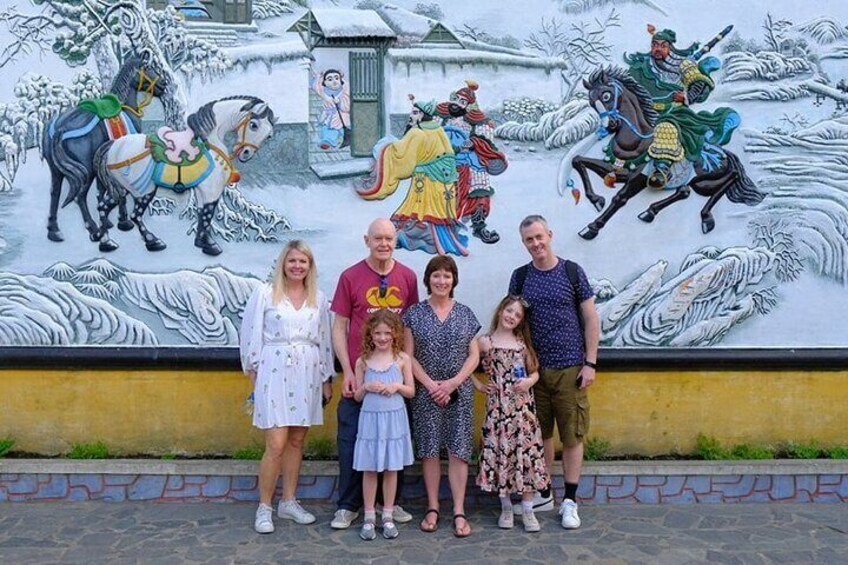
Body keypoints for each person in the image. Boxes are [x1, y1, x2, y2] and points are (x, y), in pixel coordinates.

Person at [509, 214, 599, 530]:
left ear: (550, 234)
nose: (535, 244)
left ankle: (570, 501)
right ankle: (543, 491)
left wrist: (590, 362)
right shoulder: (520, 278)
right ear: (524, 244)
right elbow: (513, 323)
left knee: (572, 433)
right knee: (540, 434)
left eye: (539, 237)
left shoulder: (572, 272)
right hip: (534, 371)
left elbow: (590, 319)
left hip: (571, 368)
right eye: (528, 240)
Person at [239, 240, 335, 534]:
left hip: (306, 372)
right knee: (276, 443)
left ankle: (289, 501)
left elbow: (325, 339)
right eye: (292, 261)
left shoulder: (318, 298)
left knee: (296, 441)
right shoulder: (266, 294)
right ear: (284, 263)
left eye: (303, 262)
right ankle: (264, 506)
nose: (297, 266)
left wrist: (326, 377)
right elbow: (251, 335)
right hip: (274, 370)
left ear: (310, 266)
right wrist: (255, 373)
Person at [330, 218, 419, 529]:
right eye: (378, 238)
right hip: (361, 376)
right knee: (353, 440)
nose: (384, 244)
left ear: (396, 241)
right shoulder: (350, 276)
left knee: (393, 439)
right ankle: (349, 505)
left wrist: (405, 366)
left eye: (389, 238)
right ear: (366, 240)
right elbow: (339, 326)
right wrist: (346, 371)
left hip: (393, 379)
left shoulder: (407, 277)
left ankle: (389, 505)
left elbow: (408, 327)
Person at [403, 255, 480, 537]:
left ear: (454, 280)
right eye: (436, 275)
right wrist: (432, 385)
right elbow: (407, 355)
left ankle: (459, 510)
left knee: (458, 451)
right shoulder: (413, 314)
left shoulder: (466, 314)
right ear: (428, 279)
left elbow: (474, 355)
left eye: (447, 276)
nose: (441, 280)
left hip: (459, 392)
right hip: (425, 393)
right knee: (430, 450)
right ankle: (433, 507)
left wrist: (453, 384)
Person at [625, 25, 738, 188]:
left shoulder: (683, 64)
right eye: (654, 45)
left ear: (670, 47)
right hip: (644, 110)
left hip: (673, 111)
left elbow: (699, 83)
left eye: (662, 46)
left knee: (665, 128)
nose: (657, 49)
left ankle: (662, 169)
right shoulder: (643, 66)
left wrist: (686, 97)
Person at [473, 295, 549, 533]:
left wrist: (528, 382)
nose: (511, 317)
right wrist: (478, 384)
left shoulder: (521, 343)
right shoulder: (485, 342)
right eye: (509, 311)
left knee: (526, 455)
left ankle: (527, 508)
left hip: (522, 411)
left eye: (517, 315)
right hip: (498, 410)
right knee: (500, 455)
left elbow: (535, 372)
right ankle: (505, 506)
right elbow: (465, 365)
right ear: (500, 310)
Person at [357, 96, 468, 256]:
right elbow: (449, 152)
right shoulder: (438, 129)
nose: (412, 115)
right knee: (434, 211)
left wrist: (388, 146)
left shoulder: (416, 133)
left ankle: (420, 237)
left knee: (419, 208)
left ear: (423, 115)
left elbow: (405, 157)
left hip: (425, 179)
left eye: (415, 112)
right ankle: (439, 239)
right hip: (444, 179)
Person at [352, 310, 416, 541]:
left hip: (394, 420)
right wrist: (367, 387)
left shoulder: (402, 360)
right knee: (370, 467)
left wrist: (396, 387)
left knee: (391, 467)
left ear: (395, 334)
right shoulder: (363, 361)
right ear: (370, 334)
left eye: (387, 333)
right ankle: (369, 516)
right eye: (377, 333)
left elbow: (411, 391)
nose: (382, 338)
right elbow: (357, 396)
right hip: (371, 420)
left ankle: (387, 515)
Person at [436, 79, 508, 244]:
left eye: (462, 102)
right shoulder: (442, 118)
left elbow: (485, 139)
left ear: (468, 106)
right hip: (445, 159)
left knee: (480, 182)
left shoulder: (475, 122)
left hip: (468, 160)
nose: (456, 104)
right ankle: (442, 224)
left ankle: (479, 226)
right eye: (455, 99)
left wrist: (472, 143)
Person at [313, 68, 350, 150]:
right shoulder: (325, 92)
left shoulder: (344, 91)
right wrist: (319, 76)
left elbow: (347, 106)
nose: (334, 81)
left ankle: (344, 138)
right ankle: (327, 141)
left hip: (341, 116)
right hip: (329, 116)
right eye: (330, 79)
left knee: (339, 128)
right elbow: (317, 87)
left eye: (337, 78)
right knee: (326, 129)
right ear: (325, 83)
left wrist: (339, 102)